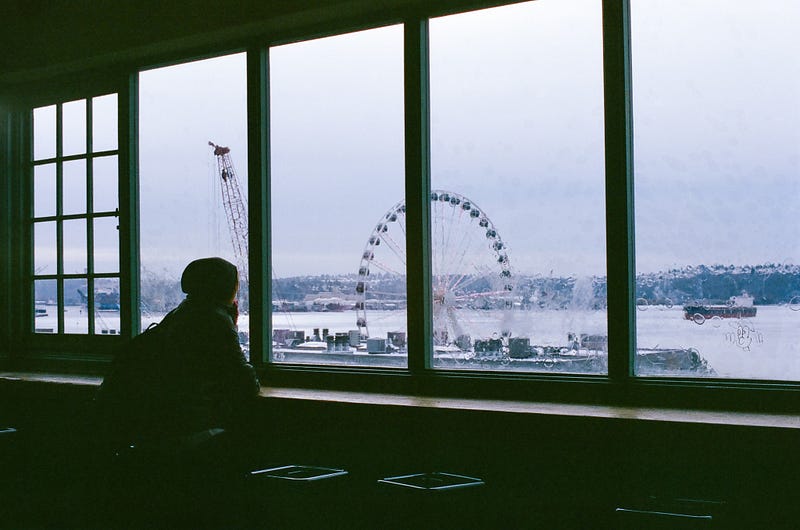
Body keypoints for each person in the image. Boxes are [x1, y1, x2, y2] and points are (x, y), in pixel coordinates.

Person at [95, 257, 260, 450]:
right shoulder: (215, 319)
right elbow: (245, 381)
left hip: (153, 424)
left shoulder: (179, 314)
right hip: (187, 426)